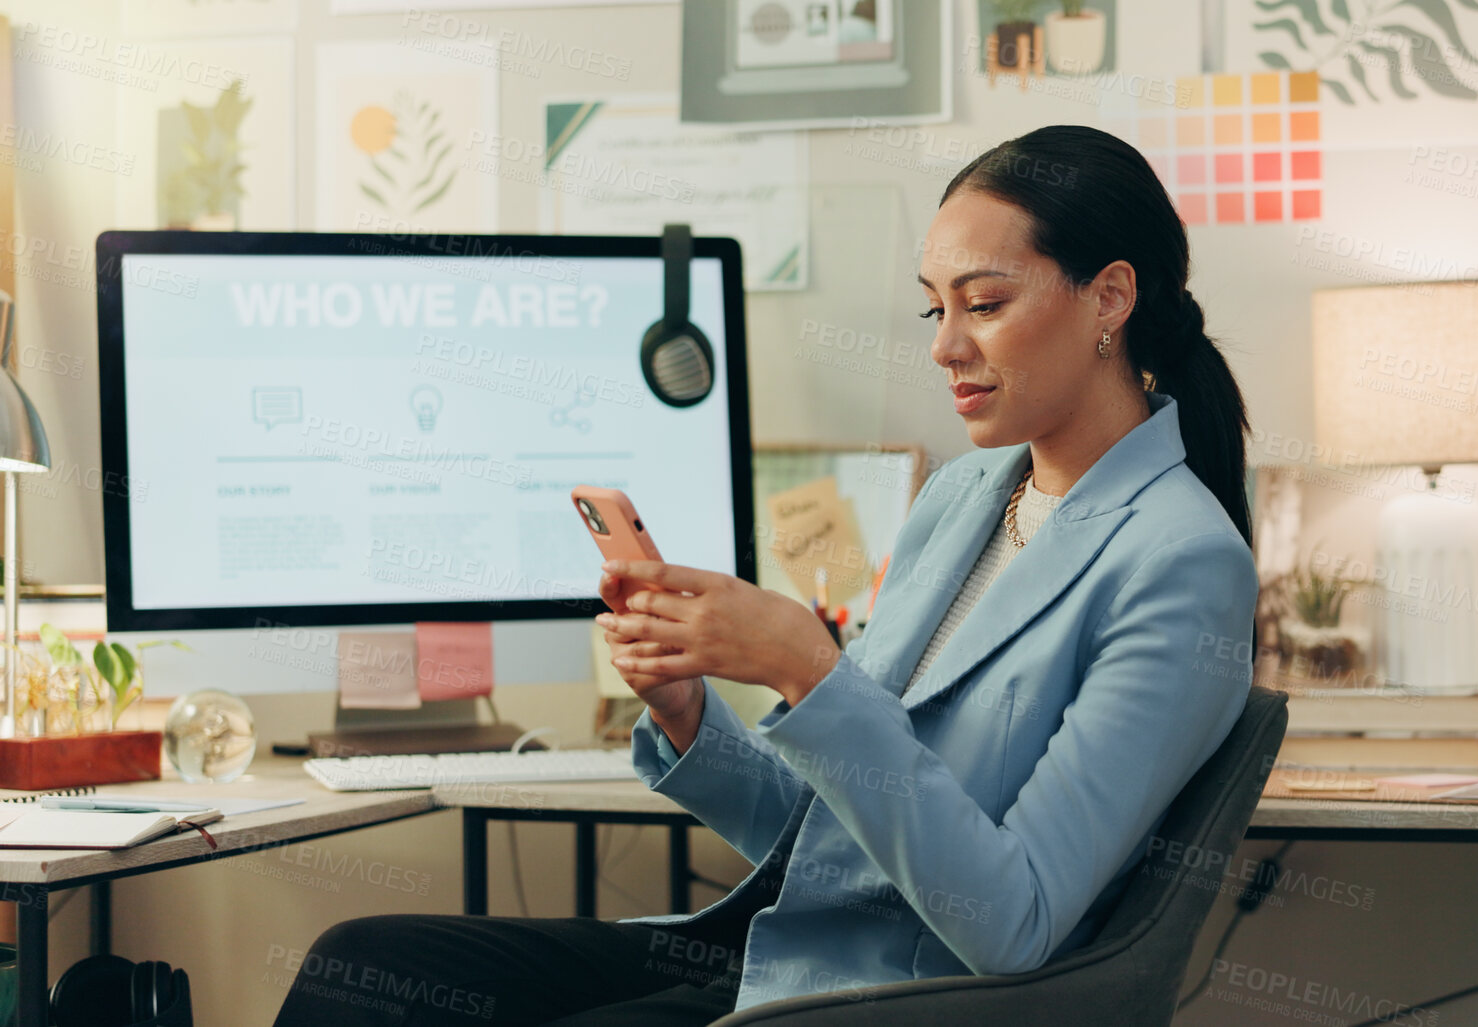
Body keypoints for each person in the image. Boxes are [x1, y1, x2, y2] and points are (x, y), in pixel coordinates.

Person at [272, 124, 1259, 1027]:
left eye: (986, 305)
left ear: (1111, 299)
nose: (944, 346)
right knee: (359, 965)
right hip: (781, 950)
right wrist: (687, 709)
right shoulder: (964, 497)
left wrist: (812, 671)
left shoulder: (1181, 565)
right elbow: (826, 833)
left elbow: (1016, 924)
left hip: (900, 997)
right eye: (935, 306)